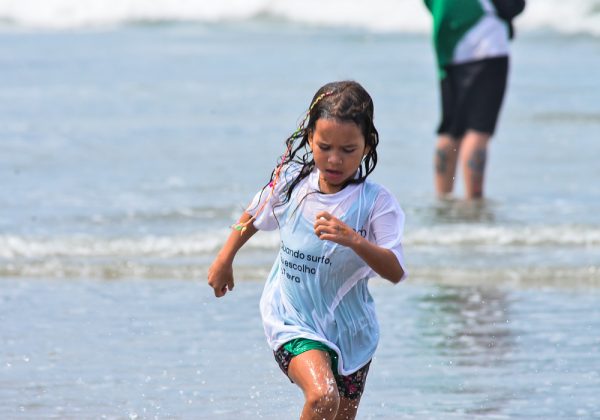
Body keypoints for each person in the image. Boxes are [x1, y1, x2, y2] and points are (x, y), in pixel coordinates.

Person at [208, 80, 407, 420]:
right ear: (310, 137)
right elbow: (252, 216)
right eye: (324, 146)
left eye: (348, 149)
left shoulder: (377, 203)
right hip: (291, 318)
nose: (334, 159)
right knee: (322, 398)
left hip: (351, 333)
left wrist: (353, 239)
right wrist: (225, 257)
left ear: (367, 146)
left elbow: (395, 271)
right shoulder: (291, 184)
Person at [424, 0, 524, 199]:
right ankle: (474, 204)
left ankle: (442, 200)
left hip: (448, 43)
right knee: (478, 131)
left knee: (451, 128)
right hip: (487, 42)